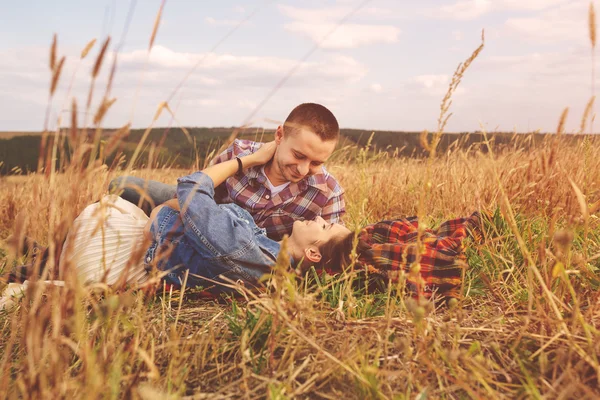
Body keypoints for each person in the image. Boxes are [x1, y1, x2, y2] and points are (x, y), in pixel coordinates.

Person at [109, 103, 346, 241]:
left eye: (316, 162)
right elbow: (196, 194)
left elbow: (325, 248)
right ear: (279, 135)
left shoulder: (328, 193)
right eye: (298, 155)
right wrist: (250, 160)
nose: (303, 169)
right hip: (203, 210)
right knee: (122, 184)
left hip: (241, 249)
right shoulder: (240, 152)